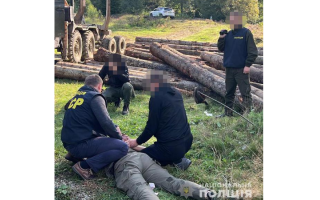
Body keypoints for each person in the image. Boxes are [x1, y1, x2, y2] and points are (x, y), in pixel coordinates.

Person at [61, 74, 129, 180]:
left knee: (102, 138)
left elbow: (87, 118)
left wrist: (114, 127)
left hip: (68, 142)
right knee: (122, 147)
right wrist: (119, 138)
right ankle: (83, 166)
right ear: (99, 86)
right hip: (80, 144)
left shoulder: (78, 96)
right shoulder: (95, 97)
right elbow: (105, 122)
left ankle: (74, 155)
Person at [128, 70, 193, 170]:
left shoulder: (157, 97)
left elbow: (151, 127)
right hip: (187, 142)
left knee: (144, 155)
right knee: (155, 149)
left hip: (170, 148)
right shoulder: (176, 93)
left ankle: (175, 160)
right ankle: (178, 159)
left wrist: (136, 142)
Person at [110, 146, 215, 200]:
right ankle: (207, 194)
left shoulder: (99, 141)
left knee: (140, 188)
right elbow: (143, 148)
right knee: (172, 182)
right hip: (143, 158)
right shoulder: (119, 135)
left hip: (125, 163)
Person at [217, 11, 258, 117]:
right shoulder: (229, 34)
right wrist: (221, 38)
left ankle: (247, 114)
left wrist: (248, 65)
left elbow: (253, 52)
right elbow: (221, 48)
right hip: (229, 69)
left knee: (245, 93)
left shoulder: (246, 33)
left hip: (241, 69)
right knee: (229, 92)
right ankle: (227, 113)